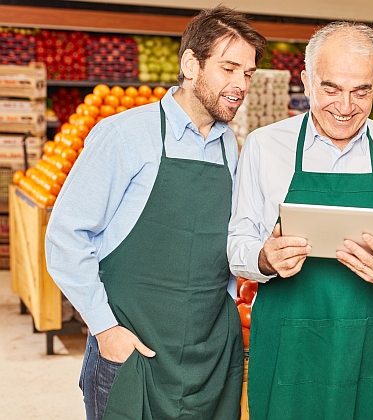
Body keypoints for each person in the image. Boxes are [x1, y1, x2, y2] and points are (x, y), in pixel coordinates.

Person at [45, 7, 265, 420]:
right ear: (189, 64)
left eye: (248, 74)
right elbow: (65, 236)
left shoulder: (230, 147)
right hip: (134, 354)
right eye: (229, 68)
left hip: (210, 357)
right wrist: (105, 329)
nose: (240, 85)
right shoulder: (124, 135)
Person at [227, 22, 373, 420]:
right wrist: (264, 259)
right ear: (306, 82)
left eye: (361, 91)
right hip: (285, 344)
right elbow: (238, 241)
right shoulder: (265, 146)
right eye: (331, 89)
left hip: (364, 343)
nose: (345, 106)